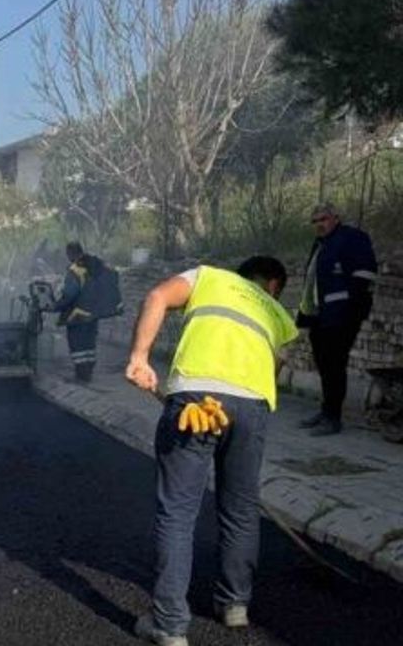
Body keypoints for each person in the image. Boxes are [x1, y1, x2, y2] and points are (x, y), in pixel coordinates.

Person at [125, 257, 298, 646]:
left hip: (195, 399)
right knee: (240, 509)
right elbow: (273, 369)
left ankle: (169, 626)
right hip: (252, 408)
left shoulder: (208, 277)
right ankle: (235, 605)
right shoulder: (277, 312)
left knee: (178, 512)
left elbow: (156, 296)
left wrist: (139, 357)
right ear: (272, 286)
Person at [298, 203, 377, 436]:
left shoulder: (352, 238)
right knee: (324, 364)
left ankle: (333, 418)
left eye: (322, 219)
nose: (318, 224)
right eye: (314, 221)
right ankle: (326, 411)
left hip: (342, 316)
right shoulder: (321, 244)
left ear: (335, 218)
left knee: (335, 365)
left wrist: (349, 308)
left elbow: (365, 274)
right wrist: (306, 315)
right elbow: (312, 282)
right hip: (319, 316)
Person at [53, 242, 121, 383]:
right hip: (93, 314)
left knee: (78, 347)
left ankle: (81, 376)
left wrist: (55, 306)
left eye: (68, 254)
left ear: (70, 253)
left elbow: (70, 294)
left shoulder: (76, 270)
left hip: (77, 316)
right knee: (89, 345)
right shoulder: (95, 265)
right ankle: (88, 373)